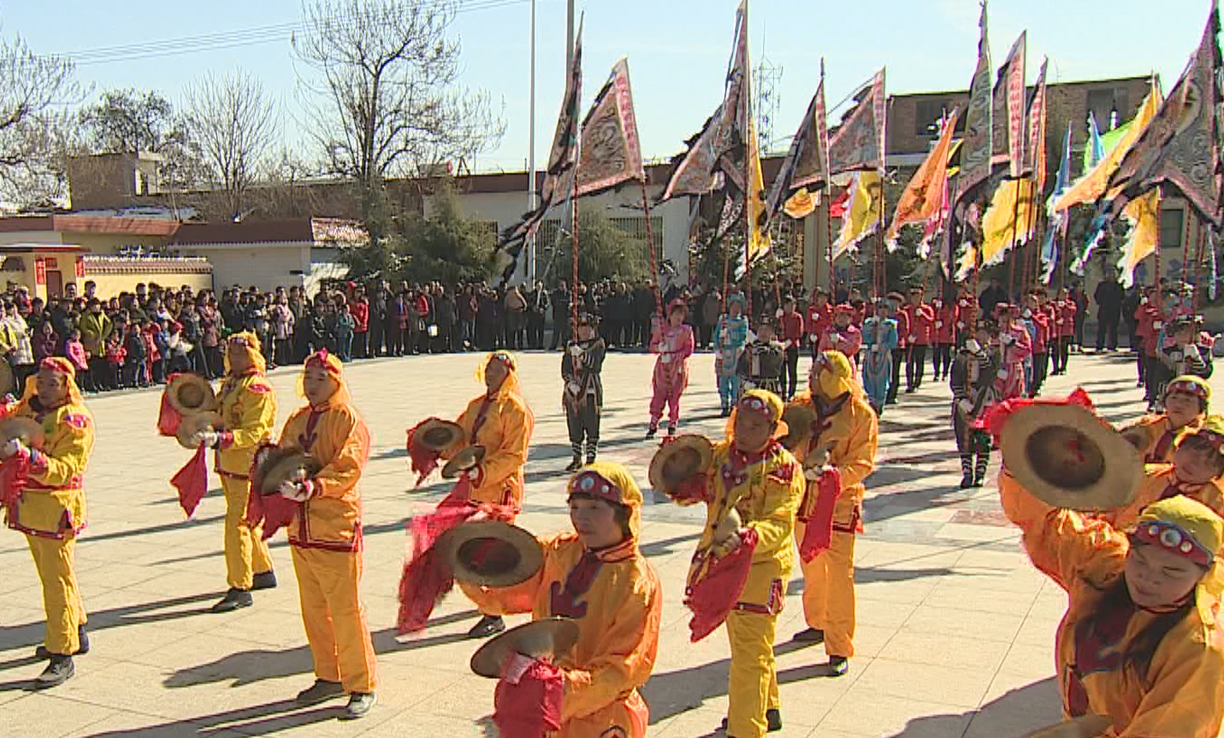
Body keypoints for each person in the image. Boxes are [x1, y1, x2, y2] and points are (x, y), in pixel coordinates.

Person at [999, 477, 1224, 735]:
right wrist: (1025, 467)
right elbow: (1049, 521)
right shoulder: (1106, 566)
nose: (1148, 577)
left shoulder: (1198, 650)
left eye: (1171, 571)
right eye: (1140, 560)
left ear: (1204, 575)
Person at [465, 462, 662, 738]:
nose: (582, 518)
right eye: (575, 507)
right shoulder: (559, 551)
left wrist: (561, 688)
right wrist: (466, 562)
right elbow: (502, 594)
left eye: (594, 508)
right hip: (546, 705)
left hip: (602, 717)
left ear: (625, 513)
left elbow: (622, 668)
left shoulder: (637, 582)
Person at [689, 390, 806, 738]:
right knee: (747, 644)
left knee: (749, 654)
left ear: (772, 429)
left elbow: (780, 522)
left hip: (762, 567)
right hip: (724, 563)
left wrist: (749, 537)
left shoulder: (784, 469)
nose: (744, 431)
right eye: (741, 423)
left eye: (755, 426)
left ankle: (745, 729)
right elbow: (694, 484)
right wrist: (681, 469)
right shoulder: (722, 456)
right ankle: (766, 708)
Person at [277, 350, 378, 719]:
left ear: (335, 382)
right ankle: (328, 674)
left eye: (321, 379)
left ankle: (362, 683)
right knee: (314, 609)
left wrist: (314, 488)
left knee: (346, 610)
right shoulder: (297, 419)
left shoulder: (347, 419)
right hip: (301, 530)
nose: (312, 385)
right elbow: (282, 456)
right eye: (308, 378)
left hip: (335, 528)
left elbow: (348, 467)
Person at [1, 358, 95, 687]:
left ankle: (62, 653)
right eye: (40, 381)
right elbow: (9, 421)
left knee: (57, 582)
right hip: (31, 509)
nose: (43, 389)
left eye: (52, 383)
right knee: (54, 576)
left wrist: (29, 457)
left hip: (57, 511)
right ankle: (75, 630)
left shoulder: (75, 420)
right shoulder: (30, 409)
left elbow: (67, 469)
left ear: (67, 385)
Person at [788, 352, 879, 677]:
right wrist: (798, 465)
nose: (811, 377)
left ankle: (839, 645)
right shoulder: (802, 406)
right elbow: (786, 441)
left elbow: (863, 462)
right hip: (803, 500)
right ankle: (818, 622)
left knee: (840, 575)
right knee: (810, 566)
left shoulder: (861, 415)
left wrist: (833, 476)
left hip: (839, 505)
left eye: (818, 372)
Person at [440, 351, 536, 638]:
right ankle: (489, 602)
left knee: (480, 556)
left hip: (500, 494)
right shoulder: (476, 406)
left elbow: (514, 456)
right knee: (460, 550)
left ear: (509, 374)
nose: (490, 373)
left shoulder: (516, 410)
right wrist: (439, 445)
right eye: (488, 368)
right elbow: (460, 437)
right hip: (473, 491)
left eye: (497, 369)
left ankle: (493, 614)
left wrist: (483, 472)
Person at [189, 332, 279, 613]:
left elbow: (255, 431)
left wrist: (222, 439)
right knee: (247, 519)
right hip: (229, 463)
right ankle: (262, 569)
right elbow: (219, 413)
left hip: (248, 464)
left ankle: (240, 586)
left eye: (241, 353)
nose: (235, 358)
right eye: (231, 353)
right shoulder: (231, 383)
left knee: (237, 523)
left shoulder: (258, 388)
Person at [950, 320, 1000, 488]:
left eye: (986, 333)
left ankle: (980, 473)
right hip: (965, 399)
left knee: (983, 439)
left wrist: (979, 353)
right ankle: (967, 473)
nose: (982, 335)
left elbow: (991, 374)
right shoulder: (963, 354)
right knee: (964, 438)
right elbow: (955, 378)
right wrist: (961, 399)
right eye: (979, 332)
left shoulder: (993, 353)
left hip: (985, 400)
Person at [1122, 376, 1210, 465]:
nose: (1178, 405)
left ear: (1201, 408)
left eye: (1187, 401)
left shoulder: (1203, 438)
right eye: (1174, 398)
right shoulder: (1148, 426)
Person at [562, 314, 606, 470]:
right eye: (581, 327)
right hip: (574, 388)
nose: (584, 330)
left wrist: (581, 354)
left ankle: (591, 456)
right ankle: (576, 456)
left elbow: (595, 365)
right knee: (574, 421)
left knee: (591, 421)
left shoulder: (598, 344)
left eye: (587, 327)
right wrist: (570, 382)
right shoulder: (571, 344)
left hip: (590, 387)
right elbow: (565, 367)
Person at [647, 298, 695, 439]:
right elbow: (652, 346)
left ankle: (672, 422)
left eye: (681, 314)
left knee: (674, 397)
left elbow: (689, 349)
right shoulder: (662, 330)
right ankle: (654, 421)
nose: (678, 317)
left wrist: (676, 356)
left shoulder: (686, 331)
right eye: (676, 314)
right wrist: (660, 348)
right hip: (663, 368)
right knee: (659, 395)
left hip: (677, 368)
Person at [714, 295, 750, 416]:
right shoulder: (723, 320)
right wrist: (717, 347)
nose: (736, 309)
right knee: (722, 380)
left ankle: (735, 404)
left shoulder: (742, 321)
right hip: (723, 352)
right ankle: (724, 404)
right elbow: (716, 335)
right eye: (734, 306)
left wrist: (736, 341)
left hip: (736, 353)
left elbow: (743, 336)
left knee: (736, 380)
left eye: (738, 307)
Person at [861, 300, 898, 415]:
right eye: (880, 308)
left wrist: (882, 346)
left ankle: (880, 403)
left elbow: (893, 342)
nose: (882, 311)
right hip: (870, 355)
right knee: (869, 378)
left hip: (883, 356)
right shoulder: (869, 323)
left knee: (882, 379)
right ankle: (872, 402)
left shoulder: (891, 325)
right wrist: (871, 331)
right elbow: (864, 337)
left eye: (885, 309)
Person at [737, 318, 785, 396]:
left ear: (772, 333)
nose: (763, 333)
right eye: (760, 330)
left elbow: (770, 361)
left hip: (770, 389)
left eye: (767, 330)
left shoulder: (777, 349)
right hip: (753, 389)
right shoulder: (749, 348)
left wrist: (756, 346)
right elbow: (740, 369)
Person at [902, 287, 935, 393]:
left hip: (921, 340)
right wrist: (907, 336)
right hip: (910, 340)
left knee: (919, 362)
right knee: (909, 362)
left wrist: (922, 315)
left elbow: (930, 322)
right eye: (915, 297)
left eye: (919, 297)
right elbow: (903, 324)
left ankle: (917, 382)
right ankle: (909, 383)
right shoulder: (906, 310)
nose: (916, 299)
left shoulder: (927, 309)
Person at [817, 304, 863, 373]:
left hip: (847, 367)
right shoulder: (827, 332)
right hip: (829, 368)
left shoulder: (855, 333)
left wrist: (841, 340)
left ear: (850, 319)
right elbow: (821, 349)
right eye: (839, 315)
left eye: (845, 316)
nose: (841, 319)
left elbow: (854, 349)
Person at [778, 297, 805, 400]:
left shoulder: (797, 317)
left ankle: (791, 393)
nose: (790, 307)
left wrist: (790, 341)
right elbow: (776, 329)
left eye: (792, 305)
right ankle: (783, 391)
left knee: (792, 370)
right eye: (788, 305)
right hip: (781, 346)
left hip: (793, 346)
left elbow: (799, 332)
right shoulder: (781, 317)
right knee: (782, 371)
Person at [885, 294, 908, 405]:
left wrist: (898, 338)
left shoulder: (902, 315)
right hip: (885, 346)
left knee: (894, 371)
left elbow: (905, 329)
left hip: (897, 347)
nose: (893, 305)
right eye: (891, 302)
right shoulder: (885, 314)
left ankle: (893, 394)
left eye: (895, 303)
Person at [1095, 272, 1124, 351]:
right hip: (1104, 309)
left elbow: (1122, 296)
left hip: (1114, 310)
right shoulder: (1101, 285)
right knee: (1101, 328)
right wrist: (1101, 302)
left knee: (1113, 329)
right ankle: (1099, 345)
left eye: (1112, 274)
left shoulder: (1118, 285)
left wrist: (1118, 304)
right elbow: (1097, 296)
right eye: (1109, 274)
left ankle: (1113, 345)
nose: (1110, 276)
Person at [931, 296, 956, 381]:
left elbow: (953, 317)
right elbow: (931, 315)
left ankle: (945, 373)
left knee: (946, 355)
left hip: (946, 335)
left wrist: (943, 322)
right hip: (936, 335)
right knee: (936, 355)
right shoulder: (934, 305)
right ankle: (936, 373)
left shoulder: (950, 306)